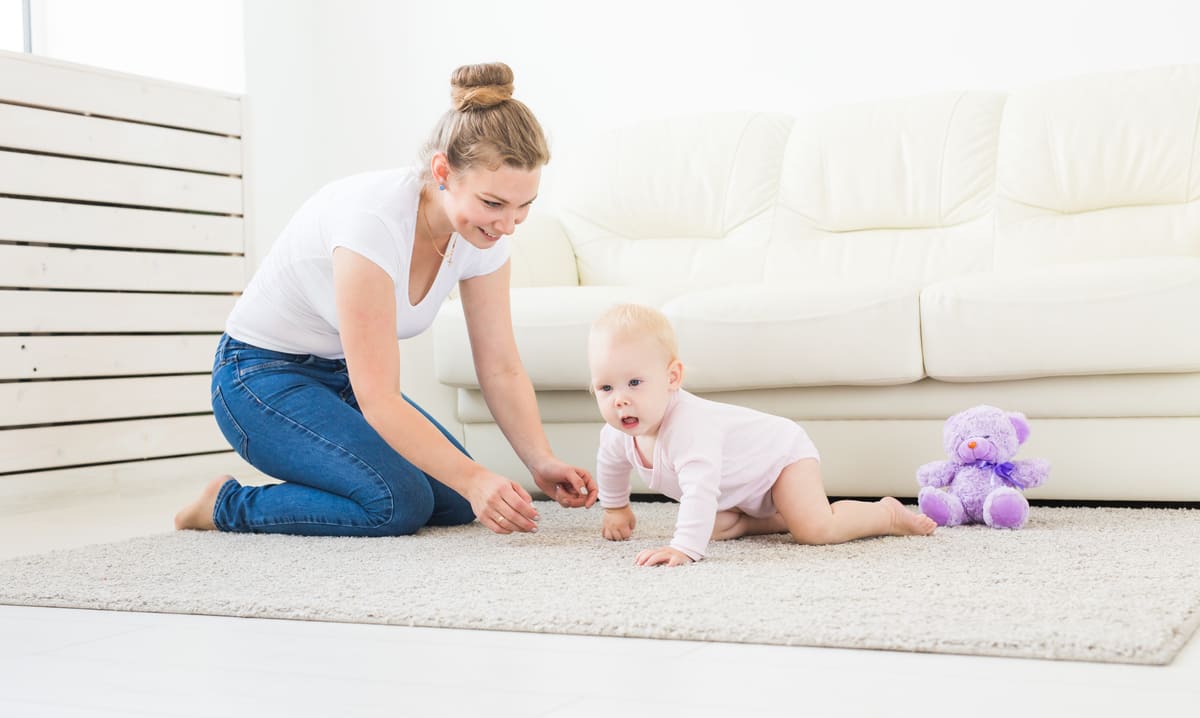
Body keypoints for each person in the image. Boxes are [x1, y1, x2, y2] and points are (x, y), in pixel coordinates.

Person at [175, 62, 597, 536]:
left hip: (339, 378)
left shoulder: (485, 239)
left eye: (524, 206)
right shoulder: (372, 224)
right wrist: (478, 477)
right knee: (397, 504)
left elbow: (500, 364)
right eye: (493, 203)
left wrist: (539, 460)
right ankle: (225, 505)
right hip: (258, 378)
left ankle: (347, 480)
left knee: (460, 499)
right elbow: (379, 399)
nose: (507, 224)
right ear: (443, 171)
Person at [588, 304, 937, 566]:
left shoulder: (689, 427)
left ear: (672, 378)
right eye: (606, 387)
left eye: (634, 382)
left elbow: (700, 488)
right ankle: (779, 516)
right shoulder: (617, 434)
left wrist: (683, 549)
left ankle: (885, 514)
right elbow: (611, 466)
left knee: (814, 530)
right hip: (739, 488)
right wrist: (616, 508)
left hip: (780, 458)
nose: (620, 399)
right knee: (710, 525)